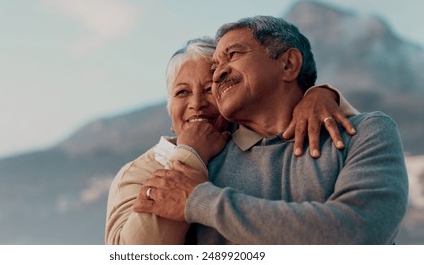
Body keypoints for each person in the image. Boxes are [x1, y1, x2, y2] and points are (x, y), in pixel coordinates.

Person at [133, 16, 409, 244]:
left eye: (233, 54)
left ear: (288, 64)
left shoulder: (363, 133)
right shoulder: (204, 161)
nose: (218, 74)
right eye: (215, 66)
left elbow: (358, 233)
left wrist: (200, 201)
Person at [106, 36, 358, 245]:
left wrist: (322, 95)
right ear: (170, 108)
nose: (196, 104)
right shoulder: (138, 172)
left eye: (208, 90)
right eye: (182, 92)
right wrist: (190, 153)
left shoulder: (256, 147)